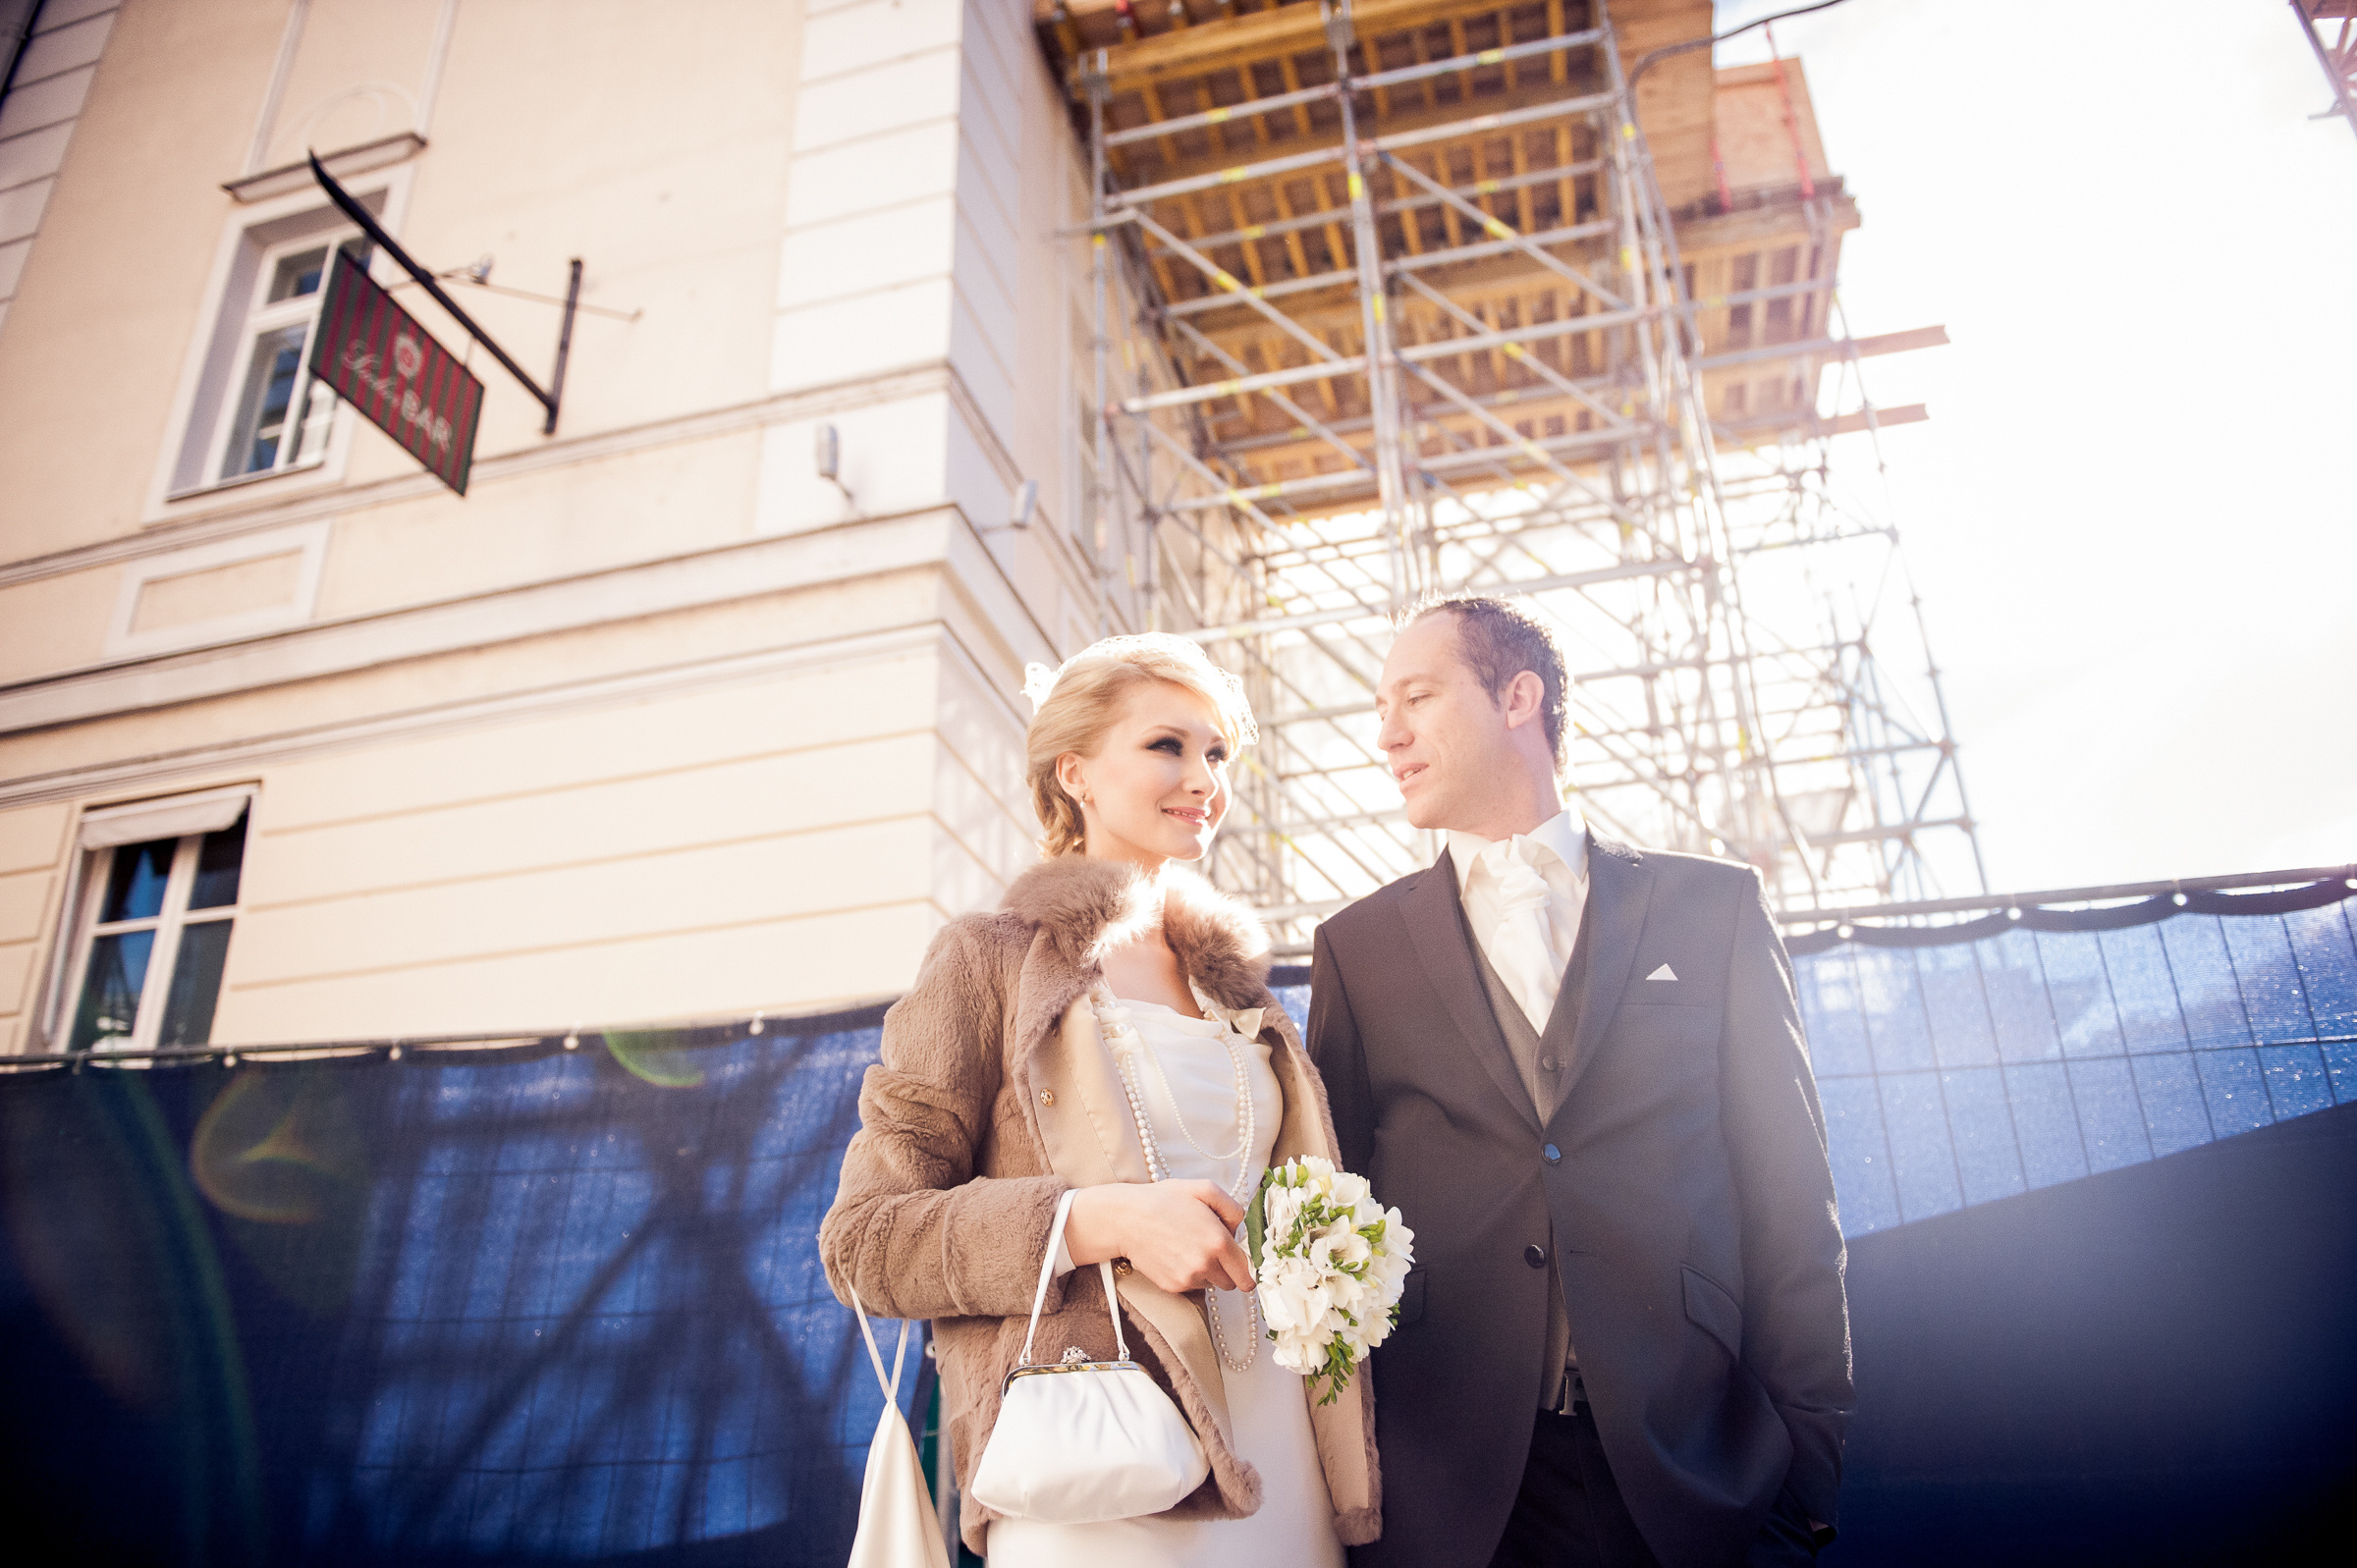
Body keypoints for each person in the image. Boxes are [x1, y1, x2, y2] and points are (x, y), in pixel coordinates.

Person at [1308, 596, 1851, 1568]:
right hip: (1451, 1498)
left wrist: (1806, 1466)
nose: (1387, 733)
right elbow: (1326, 1223)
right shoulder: (1357, 950)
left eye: (1418, 697)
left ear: (1518, 697)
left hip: (1693, 1479)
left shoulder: (1714, 909)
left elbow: (1791, 1195)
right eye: (1381, 705)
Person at [821, 634, 1380, 1565]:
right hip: (1103, 1454)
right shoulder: (988, 959)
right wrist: (1092, 1221)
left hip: (1283, 1452)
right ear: (1074, 771)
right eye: (1167, 745)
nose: (1203, 776)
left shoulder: (1242, 992)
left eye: (1217, 753)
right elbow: (864, 1241)